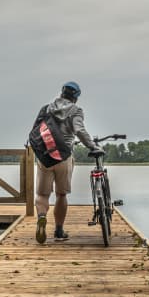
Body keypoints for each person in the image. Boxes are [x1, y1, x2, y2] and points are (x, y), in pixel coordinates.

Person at [31, 81, 102, 243]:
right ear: (76, 97)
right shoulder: (75, 110)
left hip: (45, 156)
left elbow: (36, 130)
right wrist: (92, 146)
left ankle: (41, 217)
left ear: (61, 93)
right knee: (61, 194)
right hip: (64, 156)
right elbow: (79, 130)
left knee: (42, 194)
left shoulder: (47, 108)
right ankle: (59, 231)